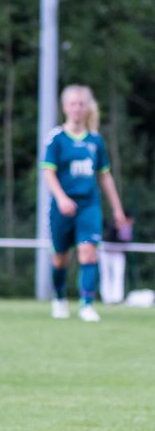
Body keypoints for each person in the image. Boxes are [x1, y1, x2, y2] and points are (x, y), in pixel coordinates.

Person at [41, 84, 129, 322]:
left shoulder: (95, 141)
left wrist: (117, 209)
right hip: (62, 207)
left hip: (89, 205)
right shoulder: (56, 139)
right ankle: (59, 298)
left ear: (88, 107)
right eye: (73, 104)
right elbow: (48, 172)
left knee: (88, 252)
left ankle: (86, 304)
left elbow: (104, 176)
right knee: (60, 257)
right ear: (65, 107)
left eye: (81, 104)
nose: (77, 108)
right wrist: (61, 198)